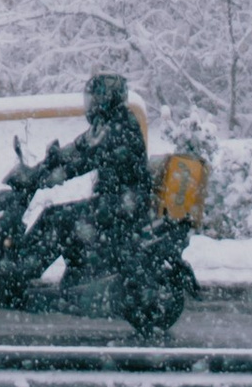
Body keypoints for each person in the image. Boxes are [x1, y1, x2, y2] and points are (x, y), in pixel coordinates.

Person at [22, 70, 154, 287]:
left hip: (125, 202)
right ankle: (77, 274)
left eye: (94, 99)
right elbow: (79, 147)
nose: (90, 104)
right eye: (89, 99)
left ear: (107, 98)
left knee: (57, 218)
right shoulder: (105, 124)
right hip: (115, 199)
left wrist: (62, 173)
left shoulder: (122, 126)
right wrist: (46, 164)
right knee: (62, 218)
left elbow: (93, 157)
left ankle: (26, 270)